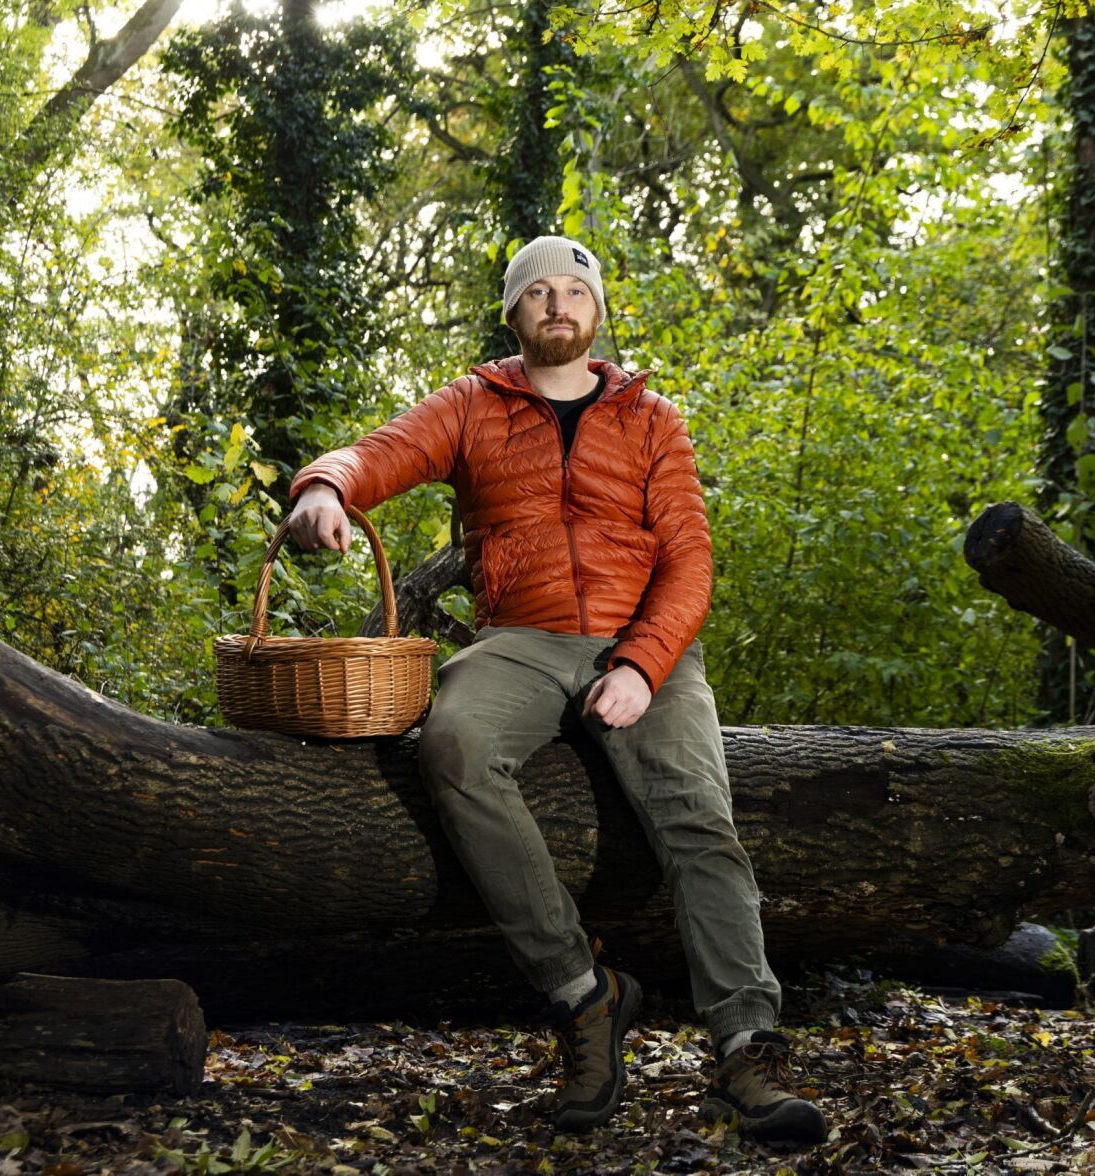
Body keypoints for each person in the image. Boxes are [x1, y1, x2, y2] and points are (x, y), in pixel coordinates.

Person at [284, 235, 825, 1144]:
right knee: (451, 744)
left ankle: (746, 1047)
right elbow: (380, 452)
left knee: (700, 817)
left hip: (641, 637)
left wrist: (643, 663)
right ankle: (583, 993)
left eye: (575, 290)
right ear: (514, 313)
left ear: (598, 311)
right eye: (539, 292)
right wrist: (325, 485)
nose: (558, 304)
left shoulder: (653, 418)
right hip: (520, 640)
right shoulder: (473, 403)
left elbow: (690, 560)